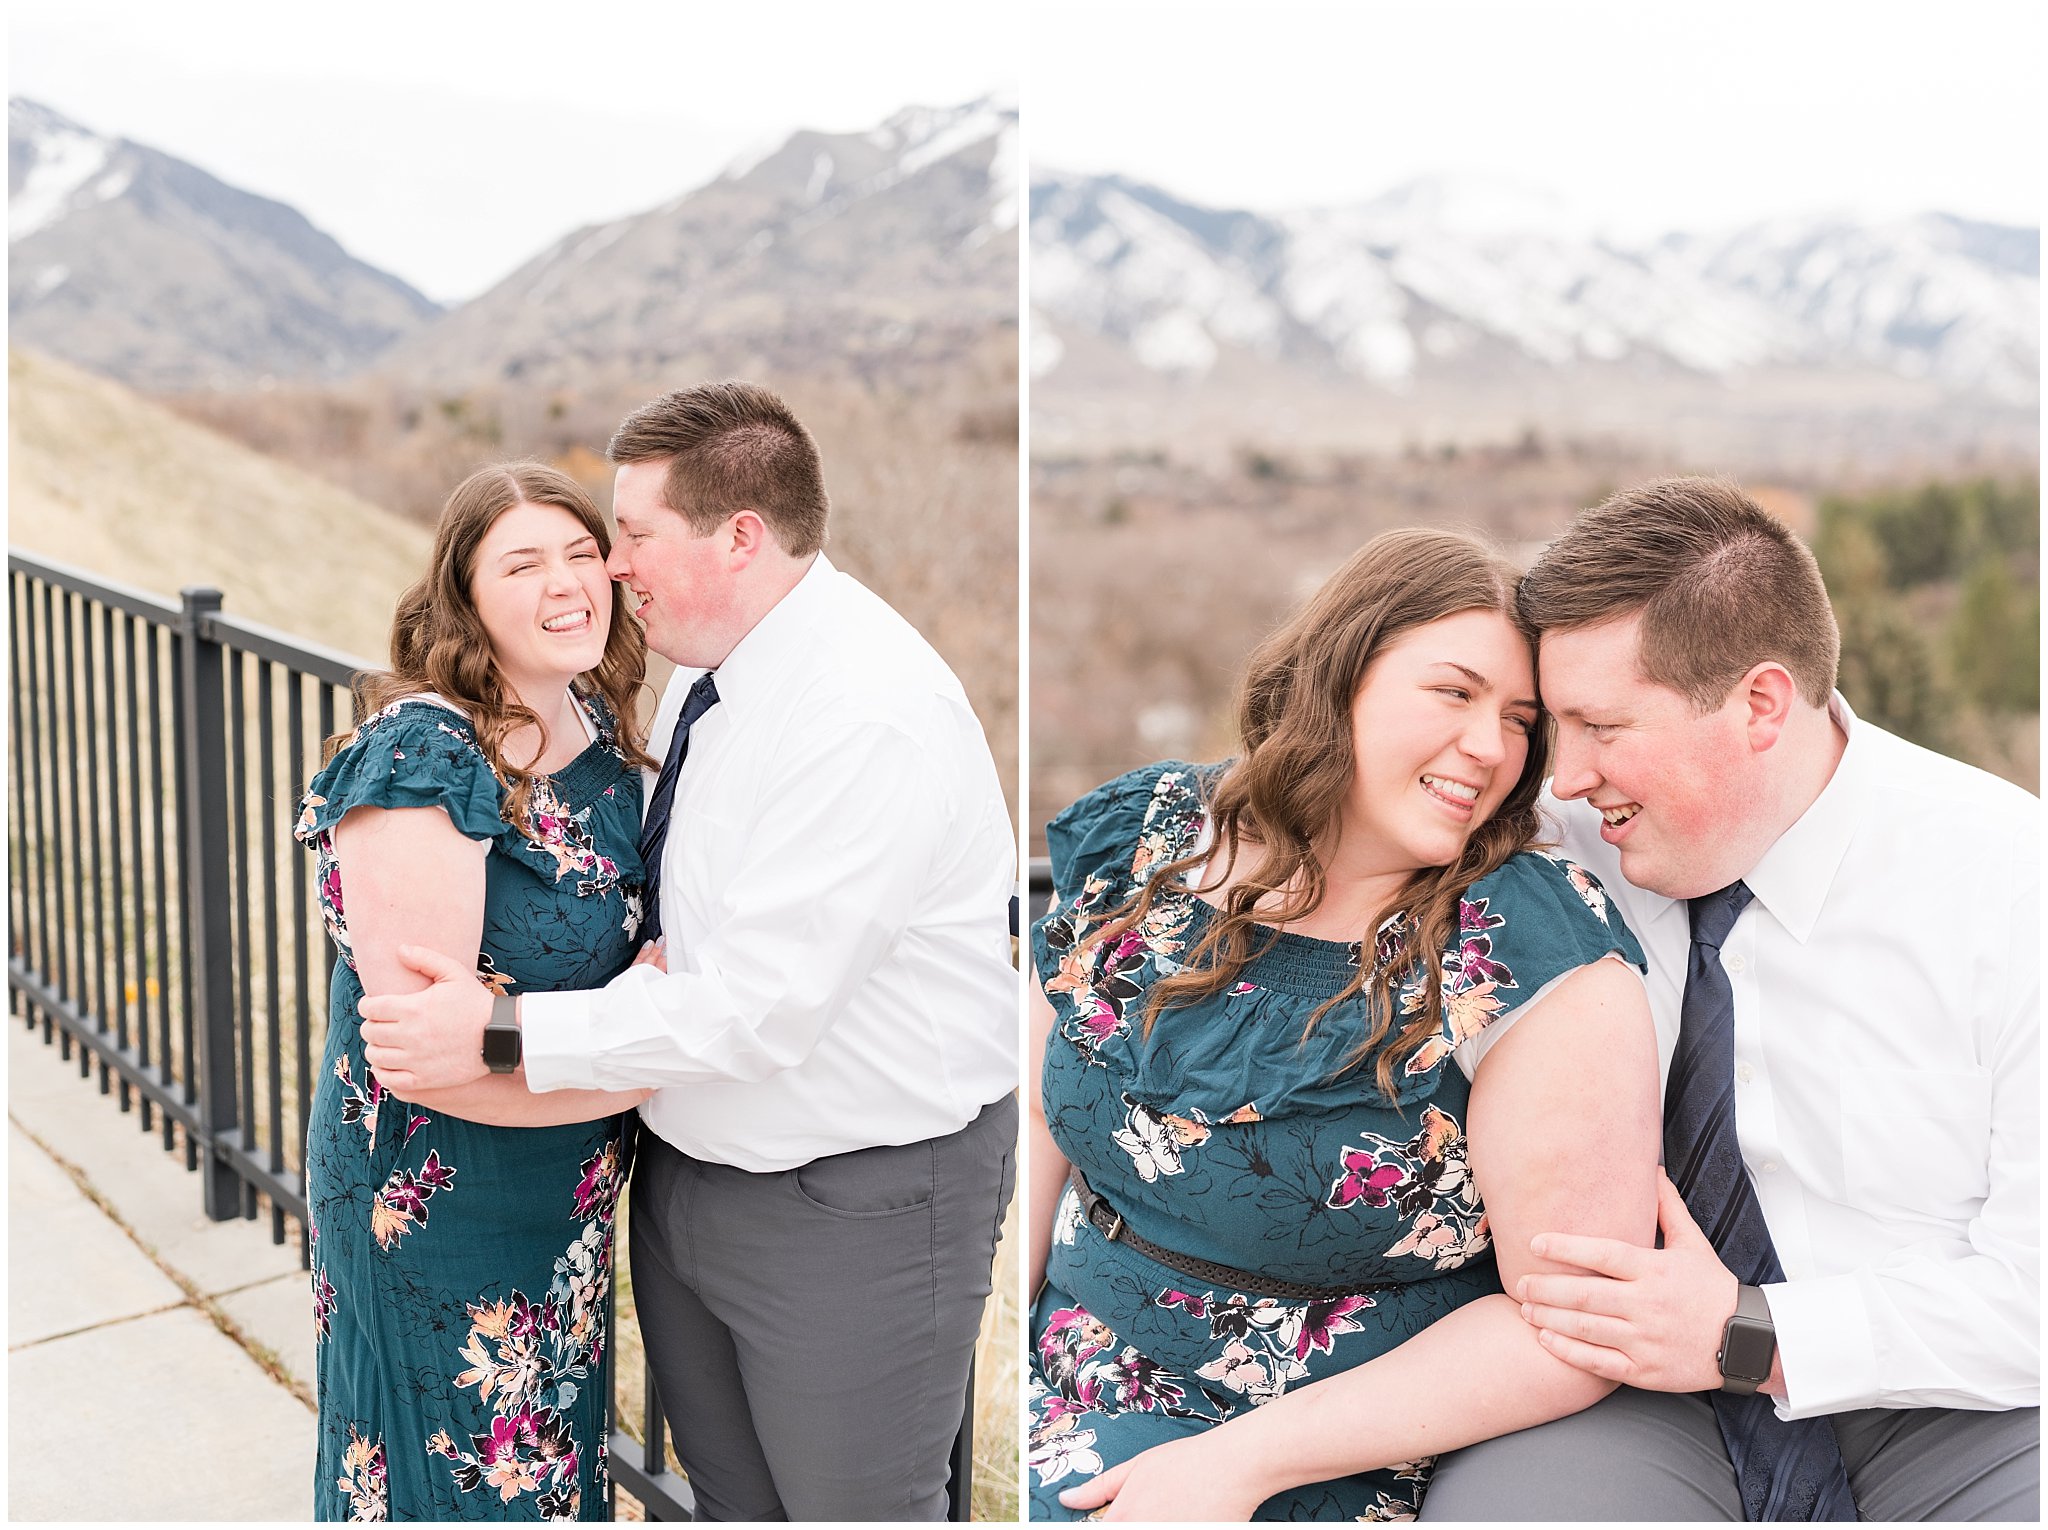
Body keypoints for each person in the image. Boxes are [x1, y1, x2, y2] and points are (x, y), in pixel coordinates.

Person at [354, 381, 1019, 1521]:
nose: (612, 567)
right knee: (732, 1506)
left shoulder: (863, 713)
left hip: (851, 1199)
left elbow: (760, 1007)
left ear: (740, 537)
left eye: (631, 535)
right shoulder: (705, 678)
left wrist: (504, 1029)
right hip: (684, 1175)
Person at [1420, 478, 2039, 1522]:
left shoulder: (2007, 887)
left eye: (1600, 725)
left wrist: (1752, 1333)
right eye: (1551, 725)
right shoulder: (1555, 842)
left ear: (1757, 704)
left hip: (1950, 1400)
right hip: (1619, 1391)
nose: (1562, 776)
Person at [1025, 528, 1667, 1520]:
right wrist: (969, 1351)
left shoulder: (1524, 952)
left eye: (1516, 720)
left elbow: (1566, 1325)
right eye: (1452, 694)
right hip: (1062, 1362)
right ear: (1339, 674)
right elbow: (1039, 1107)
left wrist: (1236, 1467)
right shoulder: (1149, 833)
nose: (1490, 749)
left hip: (1325, 1440)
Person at [295, 462, 658, 1520]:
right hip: (439, 1194)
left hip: (563, 1198)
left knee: (545, 1474)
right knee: (456, 1481)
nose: (567, 583)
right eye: (524, 562)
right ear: (464, 593)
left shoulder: (592, 715)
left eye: (583, 554)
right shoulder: (423, 756)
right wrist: (649, 1069)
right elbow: (433, 1058)